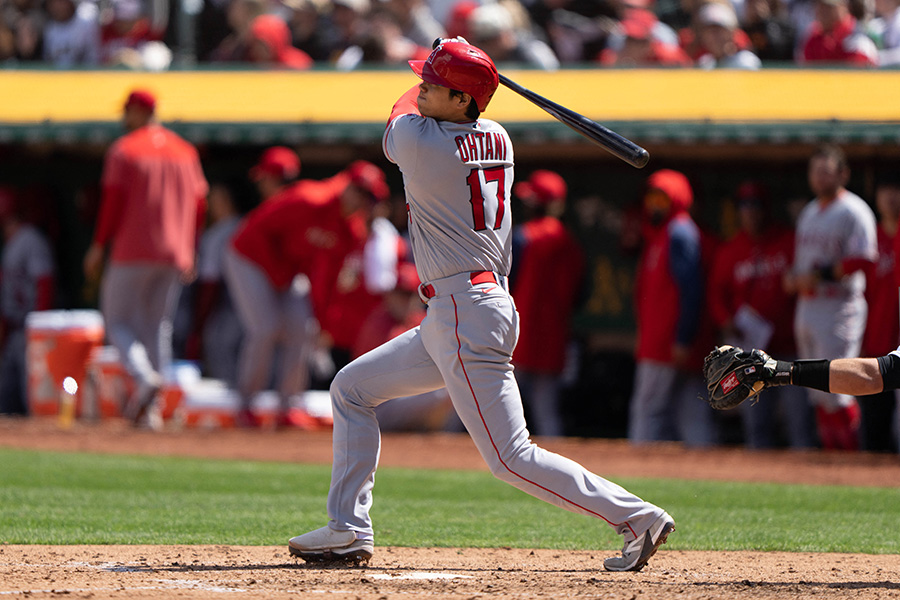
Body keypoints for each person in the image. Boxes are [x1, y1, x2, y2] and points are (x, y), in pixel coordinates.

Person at [288, 38, 674, 573]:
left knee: (511, 458)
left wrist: (453, 64)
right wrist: (458, 67)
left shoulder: (420, 141)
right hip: (461, 309)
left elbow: (400, 108)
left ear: (464, 101)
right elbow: (434, 100)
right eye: (425, 78)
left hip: (466, 311)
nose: (422, 85)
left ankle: (637, 517)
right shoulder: (497, 136)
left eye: (435, 82)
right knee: (352, 389)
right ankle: (347, 528)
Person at [83, 89, 208, 428]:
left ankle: (144, 378)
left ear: (139, 111)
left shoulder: (124, 150)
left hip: (133, 249)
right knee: (157, 327)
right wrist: (192, 248)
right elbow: (199, 204)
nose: (125, 118)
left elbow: (112, 202)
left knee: (118, 321)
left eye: (127, 111)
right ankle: (151, 412)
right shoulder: (185, 151)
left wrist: (98, 245)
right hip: (175, 252)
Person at [223, 149, 369, 427]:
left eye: (367, 197)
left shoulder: (350, 230)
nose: (360, 200)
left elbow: (328, 279)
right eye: (358, 191)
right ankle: (245, 405)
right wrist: (277, 275)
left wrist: (323, 320)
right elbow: (254, 233)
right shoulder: (309, 198)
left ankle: (288, 408)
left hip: (286, 272)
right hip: (249, 258)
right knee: (265, 328)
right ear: (347, 185)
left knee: (303, 329)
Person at [707, 181, 816, 449]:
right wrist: (726, 321)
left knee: (799, 423)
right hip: (751, 354)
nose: (751, 212)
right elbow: (715, 294)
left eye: (756, 205)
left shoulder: (788, 241)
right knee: (757, 426)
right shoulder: (731, 250)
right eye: (745, 206)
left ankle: (807, 481)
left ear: (766, 209)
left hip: (790, 349)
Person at [783, 144, 877, 450]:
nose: (820, 178)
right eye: (816, 171)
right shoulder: (810, 212)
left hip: (839, 307)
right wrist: (794, 278)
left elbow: (864, 259)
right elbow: (801, 264)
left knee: (838, 386)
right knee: (816, 389)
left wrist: (820, 275)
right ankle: (831, 461)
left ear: (843, 174)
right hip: (809, 307)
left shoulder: (854, 210)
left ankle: (850, 460)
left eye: (826, 171)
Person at [629, 169, 717, 446]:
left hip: (668, 344)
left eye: (662, 198)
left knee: (649, 412)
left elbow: (692, 291)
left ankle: (641, 475)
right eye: (651, 197)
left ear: (677, 199)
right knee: (689, 413)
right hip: (664, 342)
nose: (654, 204)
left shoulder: (679, 232)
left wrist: (682, 338)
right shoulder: (663, 233)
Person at [509, 169, 584, 437]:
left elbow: (506, 284)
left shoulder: (523, 237)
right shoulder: (570, 242)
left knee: (498, 409)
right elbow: (580, 295)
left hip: (519, 334)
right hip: (553, 336)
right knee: (547, 413)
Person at [0, 186, 55, 416]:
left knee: (30, 396)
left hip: (29, 329)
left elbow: (45, 281)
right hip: (14, 330)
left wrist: (39, 327)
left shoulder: (30, 239)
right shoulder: (11, 243)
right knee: (5, 393)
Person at [856, 175, 900, 451]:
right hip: (873, 344)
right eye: (886, 188)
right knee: (874, 429)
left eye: (896, 189)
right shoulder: (868, 235)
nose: (891, 196)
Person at [185, 181, 243, 385]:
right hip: (255, 304)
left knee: (219, 349)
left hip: (227, 304)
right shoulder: (246, 223)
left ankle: (229, 411)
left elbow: (210, 283)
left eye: (215, 199)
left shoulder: (217, 234)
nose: (210, 204)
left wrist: (199, 322)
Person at [800, 0, 878, 65]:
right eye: (819, 5)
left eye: (829, 7)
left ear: (845, 7)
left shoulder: (858, 39)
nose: (822, 11)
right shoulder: (813, 38)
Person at [695, 1, 762, 68]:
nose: (715, 37)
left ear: (731, 32)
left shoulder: (746, 62)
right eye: (710, 31)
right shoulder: (705, 63)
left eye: (719, 30)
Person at [42, 0, 100, 66]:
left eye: (61, 2)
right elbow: (47, 62)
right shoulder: (49, 30)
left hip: (84, 74)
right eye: (53, 3)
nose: (57, 6)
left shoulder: (86, 23)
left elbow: (93, 59)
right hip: (57, 75)